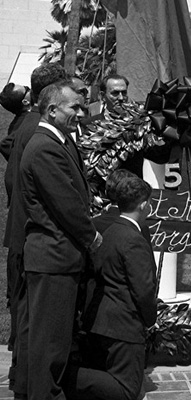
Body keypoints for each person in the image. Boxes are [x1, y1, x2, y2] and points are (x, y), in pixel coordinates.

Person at [18, 80, 103, 399]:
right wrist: (92, 237)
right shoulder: (45, 147)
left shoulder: (59, 141)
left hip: (60, 258)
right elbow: (66, 204)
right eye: (74, 108)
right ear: (52, 110)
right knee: (50, 346)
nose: (81, 113)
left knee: (53, 342)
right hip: (54, 257)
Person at [3, 63, 68, 398]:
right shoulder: (37, 131)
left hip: (23, 233)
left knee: (26, 320)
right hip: (32, 237)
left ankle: (23, 382)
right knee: (32, 322)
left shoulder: (25, 125)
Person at [63, 176, 157, 400]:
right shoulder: (133, 239)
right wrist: (150, 320)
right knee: (128, 391)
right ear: (143, 205)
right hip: (123, 326)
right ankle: (63, 376)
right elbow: (143, 290)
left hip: (100, 322)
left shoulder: (110, 232)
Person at [84, 74, 170, 178]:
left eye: (124, 93)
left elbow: (159, 156)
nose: (121, 98)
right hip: (102, 190)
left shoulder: (139, 122)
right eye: (115, 93)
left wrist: (168, 131)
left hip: (132, 188)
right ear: (102, 96)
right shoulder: (89, 124)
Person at [0, 83, 31, 160]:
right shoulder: (34, 120)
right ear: (25, 102)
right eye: (27, 89)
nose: (30, 89)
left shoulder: (13, 128)